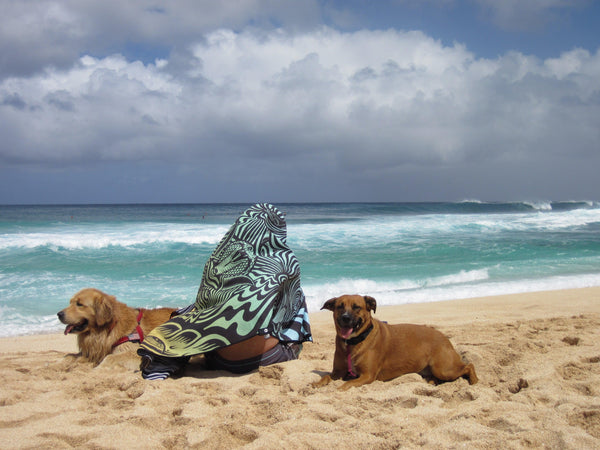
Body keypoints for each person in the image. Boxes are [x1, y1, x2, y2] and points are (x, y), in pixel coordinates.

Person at [137, 203, 312, 380]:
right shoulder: (285, 262)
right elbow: (286, 312)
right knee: (296, 294)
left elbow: (202, 306)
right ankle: (285, 344)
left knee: (207, 306)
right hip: (265, 359)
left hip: (217, 360)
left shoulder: (217, 261)